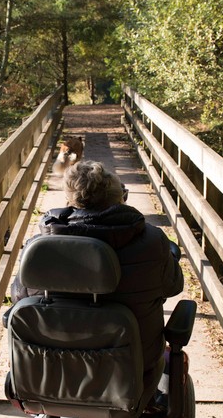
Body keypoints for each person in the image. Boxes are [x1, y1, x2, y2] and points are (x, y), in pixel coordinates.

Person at [11, 159, 184, 387]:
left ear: (70, 200)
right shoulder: (152, 242)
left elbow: (19, 296)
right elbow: (173, 286)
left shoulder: (39, 247)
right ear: (119, 199)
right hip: (131, 366)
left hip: (48, 368)